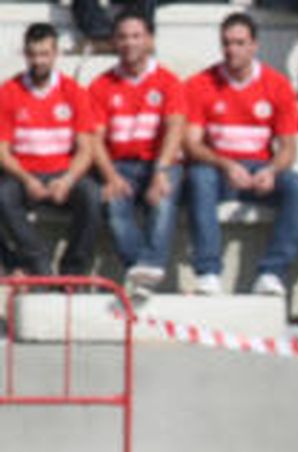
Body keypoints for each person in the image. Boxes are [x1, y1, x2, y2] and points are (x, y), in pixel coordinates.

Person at [183, 12, 298, 297]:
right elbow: (191, 144)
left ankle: (271, 273)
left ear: (254, 46)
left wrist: (271, 171)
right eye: (227, 43)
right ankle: (208, 272)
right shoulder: (201, 84)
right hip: (219, 171)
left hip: (260, 169)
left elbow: (289, 147)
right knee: (199, 178)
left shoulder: (276, 85)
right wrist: (226, 164)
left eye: (240, 43)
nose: (232, 50)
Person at [89, 10, 186, 295]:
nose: (129, 43)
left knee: (163, 199)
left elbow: (175, 130)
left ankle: (145, 269)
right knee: (115, 205)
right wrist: (110, 176)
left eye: (136, 36)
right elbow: (94, 139)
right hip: (118, 162)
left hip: (158, 161)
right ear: (113, 43)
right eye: (122, 37)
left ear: (150, 41)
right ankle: (143, 271)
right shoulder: (100, 85)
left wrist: (161, 172)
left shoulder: (169, 81)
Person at [0, 24, 103, 280]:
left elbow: (86, 149)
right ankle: (38, 259)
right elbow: (2, 151)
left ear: (55, 53)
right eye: (33, 54)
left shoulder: (73, 92)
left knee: (92, 196)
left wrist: (67, 180)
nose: (38, 61)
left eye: (44, 54)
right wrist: (27, 179)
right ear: (25, 54)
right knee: (3, 195)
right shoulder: (8, 92)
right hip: (24, 174)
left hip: (62, 173)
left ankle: (73, 268)